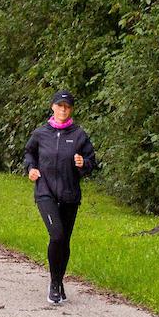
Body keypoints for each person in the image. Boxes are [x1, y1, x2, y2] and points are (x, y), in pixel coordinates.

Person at [23, 90, 97, 305]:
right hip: (45, 191)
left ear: (70, 109)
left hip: (69, 194)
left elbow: (92, 162)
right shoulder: (40, 134)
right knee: (56, 235)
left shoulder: (79, 135)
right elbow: (29, 154)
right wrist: (31, 168)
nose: (63, 109)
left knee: (64, 240)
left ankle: (59, 280)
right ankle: (54, 285)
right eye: (60, 105)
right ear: (52, 107)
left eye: (67, 106)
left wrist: (84, 163)